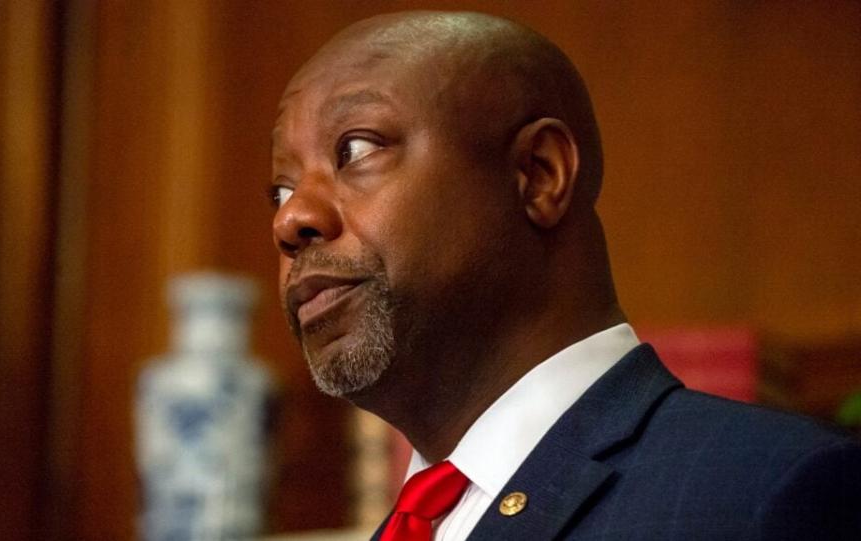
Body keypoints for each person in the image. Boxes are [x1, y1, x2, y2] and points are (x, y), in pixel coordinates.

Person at [268, 10, 861, 540]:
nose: (291, 219)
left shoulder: (768, 493)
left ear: (539, 174)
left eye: (355, 150)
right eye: (282, 190)